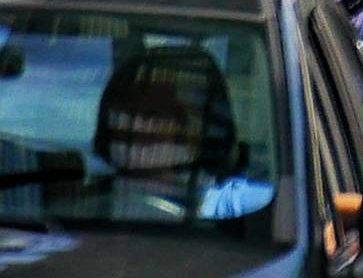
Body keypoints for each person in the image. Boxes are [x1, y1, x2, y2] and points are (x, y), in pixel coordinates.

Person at [95, 46, 273, 221]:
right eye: (123, 114)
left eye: (154, 115)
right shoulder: (90, 206)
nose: (134, 127)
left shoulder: (234, 205)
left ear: (195, 131)